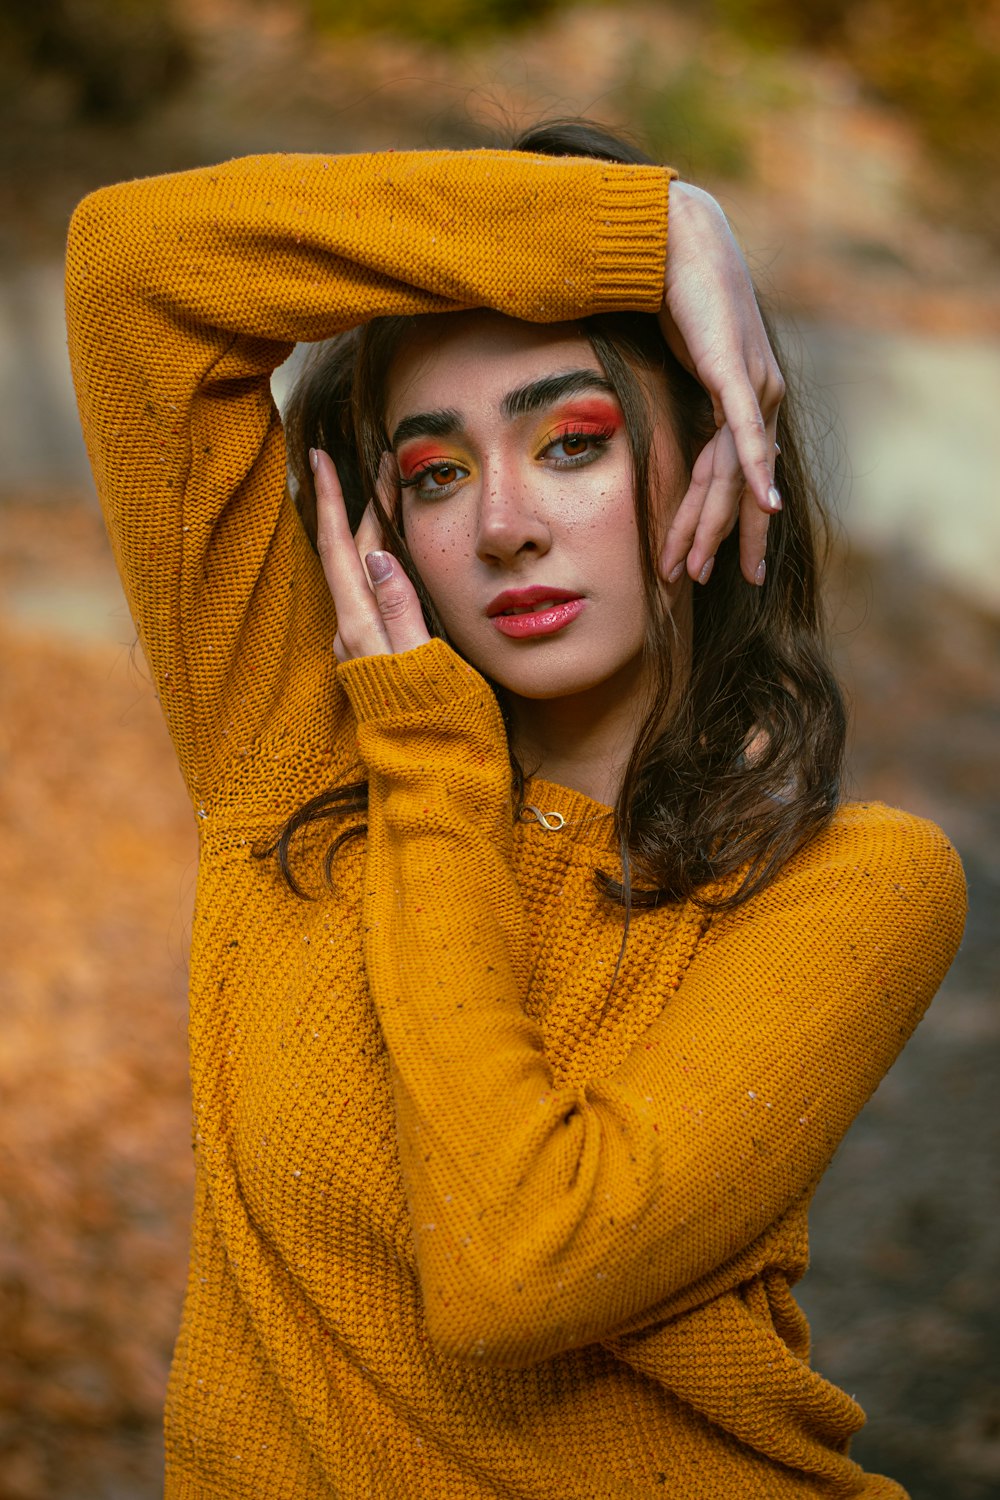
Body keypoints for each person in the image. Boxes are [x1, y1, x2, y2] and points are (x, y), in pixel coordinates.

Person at [65, 119, 965, 1499]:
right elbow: (136, 266)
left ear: (715, 452)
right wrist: (654, 229)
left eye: (573, 443)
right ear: (388, 520)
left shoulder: (849, 883)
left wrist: (434, 767)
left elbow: (511, 1266)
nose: (502, 523)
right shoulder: (294, 759)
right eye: (435, 472)